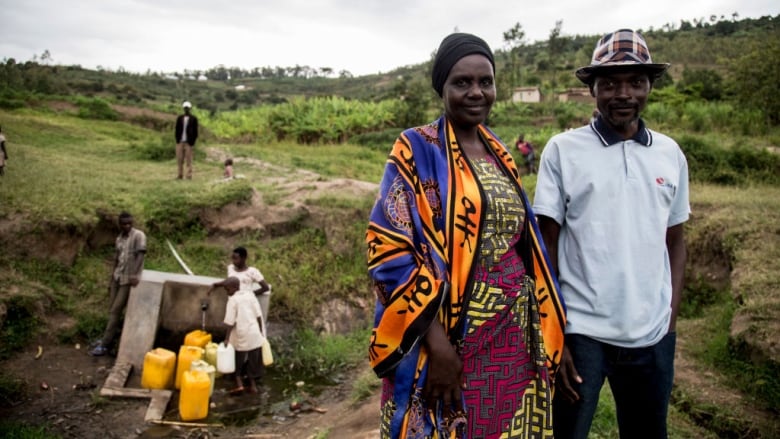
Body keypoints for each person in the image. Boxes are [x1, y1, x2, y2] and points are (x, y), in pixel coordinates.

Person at [366, 33, 566, 439]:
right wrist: (438, 346)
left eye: (485, 82)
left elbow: (525, 244)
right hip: (451, 336)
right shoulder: (417, 148)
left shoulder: (499, 151)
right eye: (462, 82)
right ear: (443, 87)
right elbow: (389, 251)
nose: (476, 92)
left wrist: (549, 326)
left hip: (512, 334)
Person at [533, 29, 690, 439]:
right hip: (581, 332)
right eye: (610, 83)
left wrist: (669, 319)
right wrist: (556, 333)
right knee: (568, 432)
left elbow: (675, 239)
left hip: (652, 334)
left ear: (650, 86)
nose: (624, 93)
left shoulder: (670, 154)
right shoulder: (563, 151)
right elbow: (545, 245)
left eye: (636, 82)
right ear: (592, 89)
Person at [90, 212, 147, 356]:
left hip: (128, 280)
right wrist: (111, 280)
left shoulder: (138, 235)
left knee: (116, 311)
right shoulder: (119, 239)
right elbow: (116, 259)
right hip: (117, 277)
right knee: (111, 310)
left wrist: (134, 274)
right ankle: (108, 338)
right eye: (124, 224)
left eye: (130, 223)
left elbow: (140, 255)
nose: (127, 226)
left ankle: (105, 345)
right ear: (119, 224)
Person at [209, 276, 266, 395]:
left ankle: (239, 383)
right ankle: (253, 386)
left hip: (242, 333)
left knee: (238, 359)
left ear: (235, 287)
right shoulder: (250, 295)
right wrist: (261, 333)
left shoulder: (233, 300)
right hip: (254, 333)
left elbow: (230, 321)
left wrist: (226, 338)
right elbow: (259, 315)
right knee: (252, 360)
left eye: (227, 289)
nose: (227, 292)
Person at [175, 101, 199, 179]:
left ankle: (189, 175)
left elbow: (196, 131)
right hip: (180, 141)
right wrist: (177, 140)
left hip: (189, 142)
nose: (186, 109)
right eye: (185, 108)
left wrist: (192, 142)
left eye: (187, 108)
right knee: (180, 160)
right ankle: (180, 175)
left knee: (189, 160)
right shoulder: (180, 118)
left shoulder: (193, 119)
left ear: (190, 109)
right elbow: (177, 129)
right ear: (183, 108)